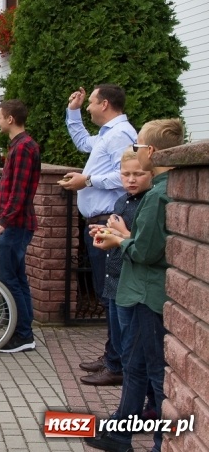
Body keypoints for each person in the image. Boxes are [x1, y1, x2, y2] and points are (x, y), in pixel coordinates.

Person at [84, 119, 185, 452]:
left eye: (138, 144)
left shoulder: (157, 195)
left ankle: (161, 442)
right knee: (136, 366)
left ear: (151, 151)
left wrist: (119, 239)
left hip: (145, 294)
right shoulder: (169, 186)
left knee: (153, 370)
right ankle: (119, 434)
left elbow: (145, 251)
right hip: (139, 292)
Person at [60, 84, 137, 379]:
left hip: (108, 221)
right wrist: (74, 111)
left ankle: (116, 365)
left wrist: (87, 181)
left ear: (105, 104)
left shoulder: (120, 134)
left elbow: (126, 174)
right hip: (100, 220)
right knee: (107, 294)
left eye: (91, 103)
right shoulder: (109, 134)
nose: (89, 107)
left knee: (111, 295)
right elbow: (83, 144)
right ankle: (111, 356)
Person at [82, 149, 152, 390]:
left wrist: (119, 233)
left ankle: (122, 373)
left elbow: (141, 243)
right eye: (125, 174)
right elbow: (118, 235)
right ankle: (115, 366)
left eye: (138, 174)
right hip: (114, 279)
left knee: (129, 337)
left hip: (128, 281)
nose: (130, 179)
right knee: (115, 329)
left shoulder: (148, 202)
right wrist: (104, 233)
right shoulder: (122, 200)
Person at [0, 100, 41, 353]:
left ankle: (23, 335)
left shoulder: (24, 147)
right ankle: (24, 332)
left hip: (16, 226)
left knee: (9, 279)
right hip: (13, 223)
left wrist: (3, 222)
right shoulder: (18, 146)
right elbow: (9, 192)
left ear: (10, 119)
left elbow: (19, 193)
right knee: (17, 279)